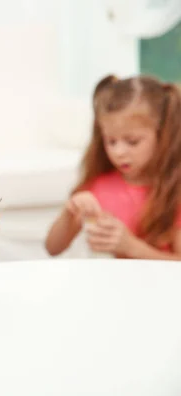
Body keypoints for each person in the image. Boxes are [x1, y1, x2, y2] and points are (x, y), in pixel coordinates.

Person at [45, 75, 181, 260]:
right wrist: (69, 213)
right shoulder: (100, 186)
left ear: (163, 135)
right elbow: (53, 248)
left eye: (132, 142)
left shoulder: (175, 192)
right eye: (111, 141)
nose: (119, 152)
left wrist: (132, 247)